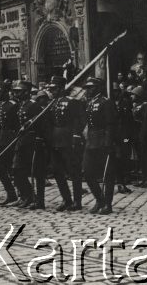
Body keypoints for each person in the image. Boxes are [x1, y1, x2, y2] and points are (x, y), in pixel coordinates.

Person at [46, 76, 84, 211]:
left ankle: (77, 201)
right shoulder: (52, 103)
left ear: (62, 88)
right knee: (57, 171)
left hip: (68, 140)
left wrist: (76, 136)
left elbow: (79, 120)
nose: (52, 91)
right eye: (51, 89)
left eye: (55, 89)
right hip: (55, 139)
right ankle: (66, 199)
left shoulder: (72, 102)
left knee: (74, 171)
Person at [83, 77, 117, 215]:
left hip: (103, 141)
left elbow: (110, 124)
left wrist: (108, 142)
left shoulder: (106, 102)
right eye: (87, 87)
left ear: (98, 88)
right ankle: (99, 200)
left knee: (108, 175)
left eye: (91, 87)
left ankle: (107, 205)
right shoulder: (90, 102)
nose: (88, 90)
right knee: (87, 172)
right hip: (91, 141)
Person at [9, 81, 42, 209]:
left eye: (19, 91)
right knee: (16, 170)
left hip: (31, 141)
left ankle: (31, 197)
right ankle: (25, 195)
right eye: (15, 91)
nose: (16, 93)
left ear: (27, 92)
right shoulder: (20, 105)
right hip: (21, 140)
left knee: (28, 171)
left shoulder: (34, 105)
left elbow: (40, 124)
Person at [0, 80, 20, 206]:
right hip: (2, 139)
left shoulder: (13, 105)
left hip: (12, 139)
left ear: (6, 92)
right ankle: (11, 194)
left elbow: (18, 123)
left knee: (15, 169)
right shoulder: (2, 105)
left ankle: (24, 195)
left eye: (0, 92)